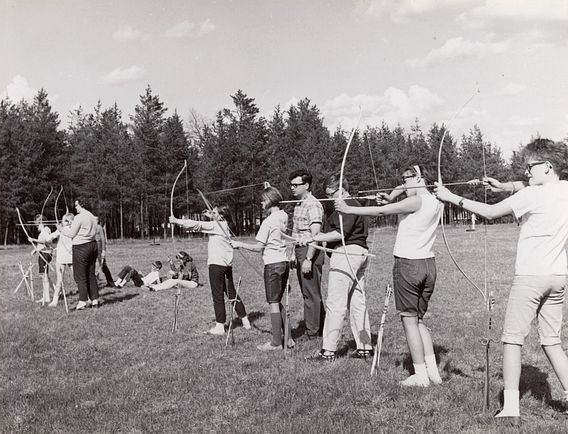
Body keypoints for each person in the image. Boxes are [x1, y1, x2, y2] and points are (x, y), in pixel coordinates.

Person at [434, 138, 568, 421]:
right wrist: (504, 186)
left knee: (511, 340)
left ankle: (510, 407)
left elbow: (491, 212)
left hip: (530, 278)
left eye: (530, 167)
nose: (526, 173)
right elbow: (527, 188)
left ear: (548, 166)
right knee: (552, 341)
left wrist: (450, 197)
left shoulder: (532, 195)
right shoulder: (564, 188)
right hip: (558, 277)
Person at [336, 165, 444, 385]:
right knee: (419, 319)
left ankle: (420, 375)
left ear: (420, 178)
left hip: (408, 265)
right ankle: (433, 373)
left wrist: (348, 210)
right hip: (428, 265)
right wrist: (392, 196)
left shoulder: (417, 200)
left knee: (409, 321)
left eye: (407, 179)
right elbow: (395, 204)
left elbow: (382, 212)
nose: (403, 184)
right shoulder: (434, 201)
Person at [304, 174, 372, 362]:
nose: (330, 199)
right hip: (357, 255)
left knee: (335, 304)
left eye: (331, 194)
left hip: (346, 255)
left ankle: (328, 351)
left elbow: (340, 234)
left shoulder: (347, 206)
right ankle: (365, 347)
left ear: (341, 190)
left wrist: (314, 237)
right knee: (357, 304)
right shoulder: (349, 206)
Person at [170, 205, 251, 335]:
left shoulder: (216, 225)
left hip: (216, 266)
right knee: (231, 293)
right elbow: (211, 221)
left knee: (217, 296)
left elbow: (196, 225)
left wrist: (176, 220)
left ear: (221, 216)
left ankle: (220, 327)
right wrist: (211, 214)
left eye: (215, 212)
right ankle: (245, 320)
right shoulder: (226, 225)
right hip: (226, 266)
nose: (211, 213)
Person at [232, 186, 294, 351]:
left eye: (263, 200)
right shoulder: (283, 215)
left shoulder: (269, 221)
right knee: (278, 301)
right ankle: (288, 339)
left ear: (270, 200)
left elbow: (259, 247)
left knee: (273, 302)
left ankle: (276, 343)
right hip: (284, 262)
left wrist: (239, 244)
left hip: (273, 265)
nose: (261, 203)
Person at [289, 170, 325, 339]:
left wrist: (308, 259)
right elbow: (296, 232)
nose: (292, 188)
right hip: (299, 251)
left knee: (311, 293)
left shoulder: (313, 204)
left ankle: (312, 331)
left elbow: (315, 236)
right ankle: (320, 326)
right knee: (307, 292)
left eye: (296, 185)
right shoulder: (299, 204)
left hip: (310, 252)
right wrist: (292, 254)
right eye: (291, 185)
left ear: (306, 185)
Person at [59, 198, 100, 310]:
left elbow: (72, 234)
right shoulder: (92, 216)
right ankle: (95, 299)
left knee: (80, 275)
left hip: (81, 247)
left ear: (82, 205)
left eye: (76, 205)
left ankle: (82, 301)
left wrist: (61, 229)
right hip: (93, 246)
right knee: (91, 274)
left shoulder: (79, 217)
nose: (75, 207)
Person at [27, 214, 54, 304]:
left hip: (45, 254)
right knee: (45, 275)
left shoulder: (44, 231)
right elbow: (42, 244)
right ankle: (55, 291)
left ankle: (46, 298)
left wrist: (33, 240)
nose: (36, 226)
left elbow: (46, 241)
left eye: (37, 225)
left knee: (44, 276)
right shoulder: (45, 230)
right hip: (45, 253)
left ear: (41, 223)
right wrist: (35, 250)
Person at [49, 212, 75, 307]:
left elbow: (49, 238)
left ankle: (55, 301)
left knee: (59, 280)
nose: (61, 222)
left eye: (63, 220)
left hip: (62, 258)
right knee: (77, 278)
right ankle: (86, 297)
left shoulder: (62, 230)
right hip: (71, 257)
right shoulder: (73, 230)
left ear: (68, 222)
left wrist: (57, 229)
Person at [95, 216, 115, 287]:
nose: (95, 221)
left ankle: (111, 282)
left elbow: (103, 239)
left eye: (96, 219)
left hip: (99, 247)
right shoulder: (91, 227)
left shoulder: (99, 227)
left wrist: (103, 250)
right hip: (93, 247)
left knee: (103, 265)